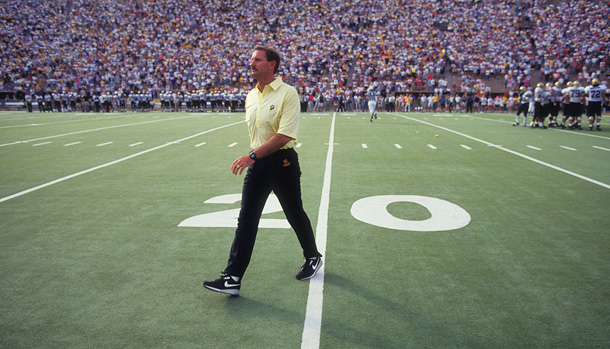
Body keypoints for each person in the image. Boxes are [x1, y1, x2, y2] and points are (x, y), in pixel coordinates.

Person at [203, 46, 323, 296]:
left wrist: (252, 156)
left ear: (272, 64)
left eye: (257, 60)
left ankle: (313, 257)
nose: (252, 63)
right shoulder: (250, 96)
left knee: (294, 213)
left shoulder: (287, 93)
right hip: (258, 163)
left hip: (282, 163)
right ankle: (233, 277)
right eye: (251, 60)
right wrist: (255, 157)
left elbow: (285, 135)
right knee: (246, 219)